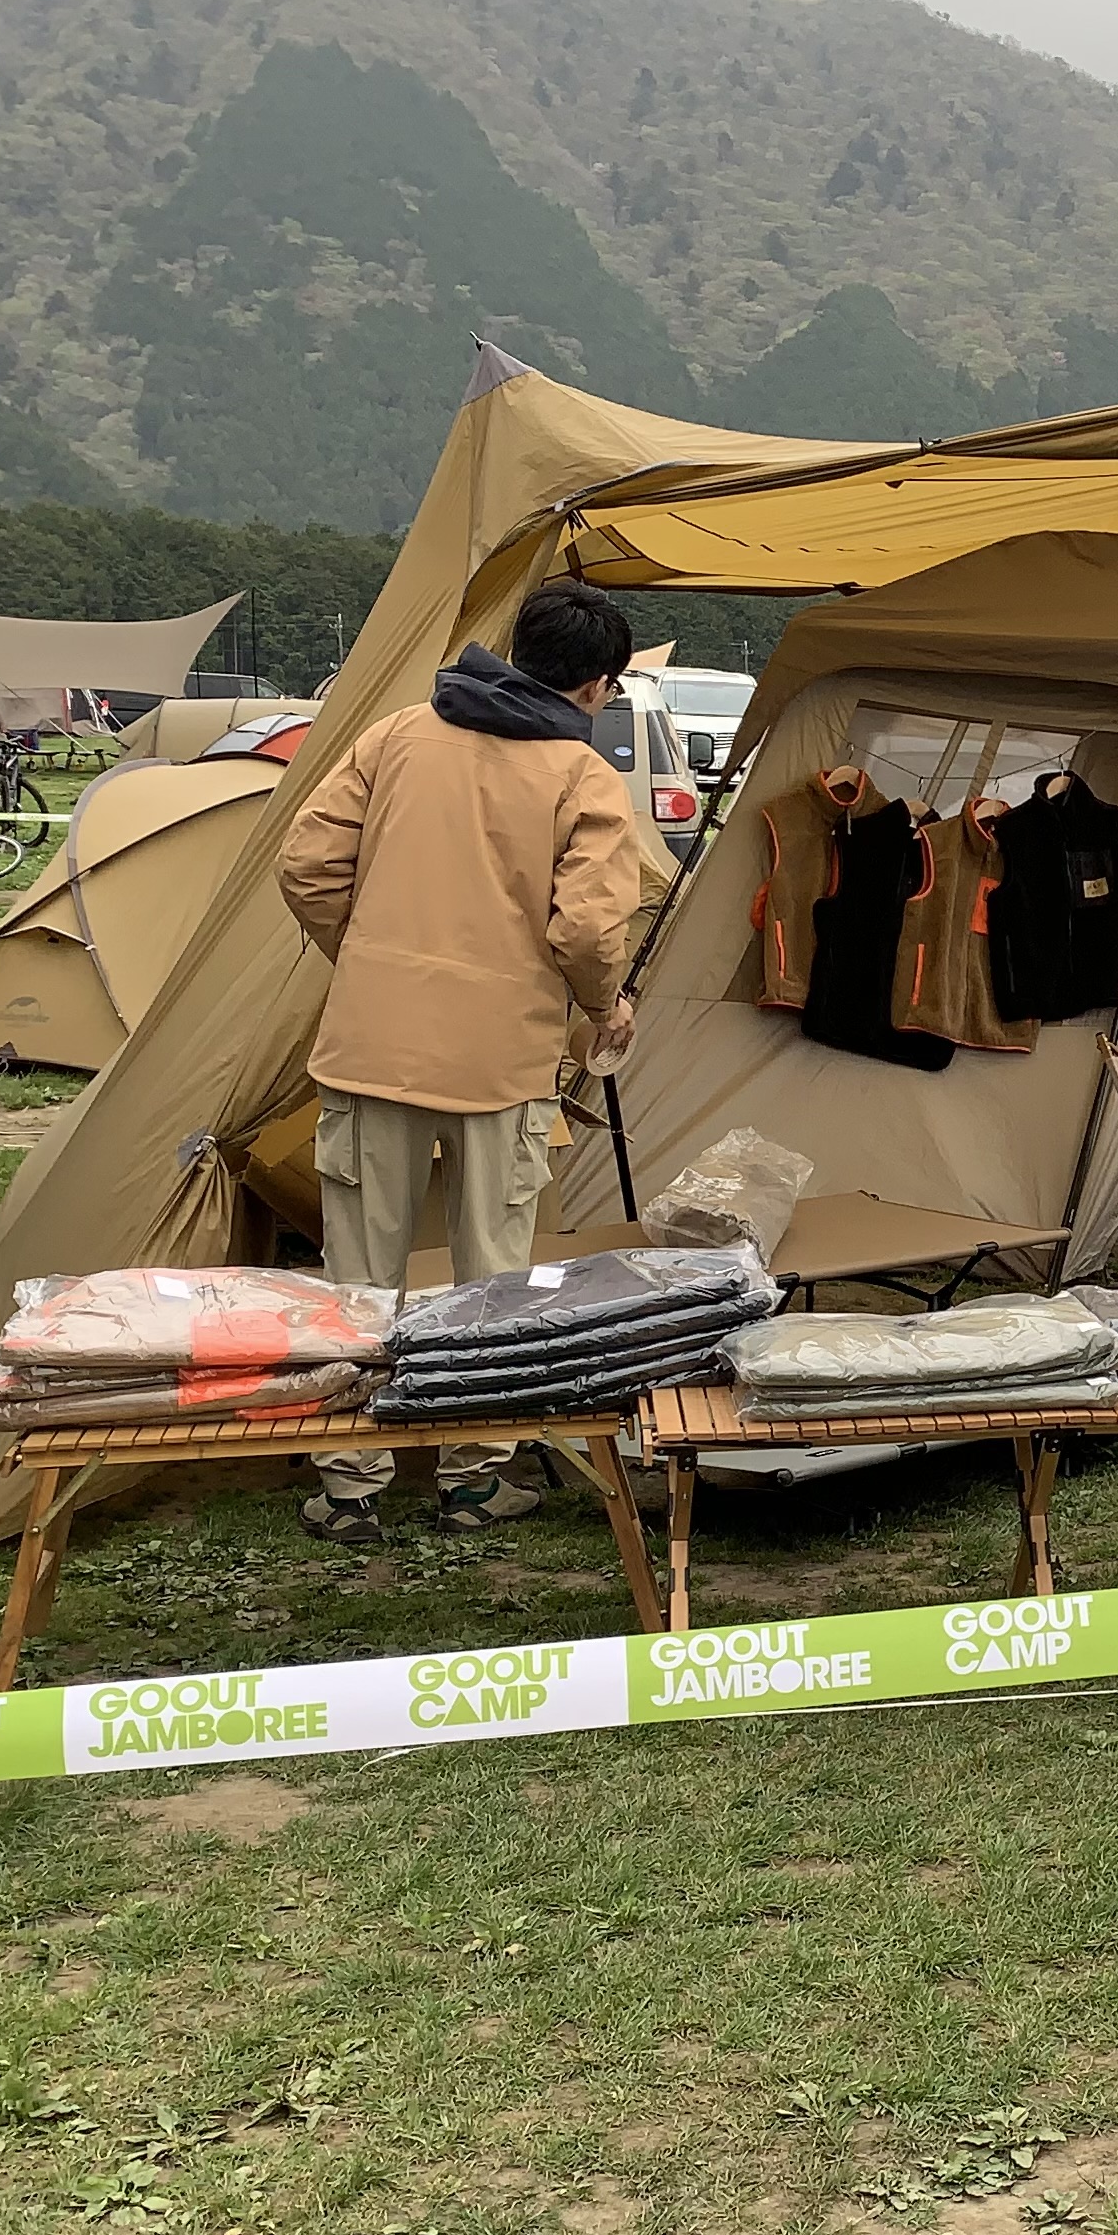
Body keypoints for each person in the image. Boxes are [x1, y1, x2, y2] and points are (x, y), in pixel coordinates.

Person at [277, 582, 645, 1546]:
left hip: (372, 1047)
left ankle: (349, 1484)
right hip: (502, 1060)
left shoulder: (398, 735)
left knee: (359, 1275)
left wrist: (369, 957)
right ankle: (473, 1478)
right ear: (597, 686)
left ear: (517, 650)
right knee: (493, 1282)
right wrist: (603, 1005)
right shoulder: (581, 776)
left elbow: (306, 865)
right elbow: (589, 930)